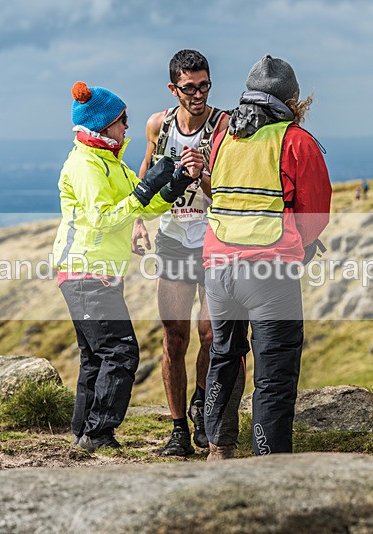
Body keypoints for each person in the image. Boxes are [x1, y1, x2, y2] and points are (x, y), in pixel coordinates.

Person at [52, 81, 201, 452]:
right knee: (120, 352)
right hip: (86, 270)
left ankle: (83, 432)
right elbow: (103, 219)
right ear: (103, 126)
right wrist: (142, 190)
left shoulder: (110, 163)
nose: (127, 128)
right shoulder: (87, 165)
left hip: (97, 272)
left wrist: (171, 185)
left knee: (95, 357)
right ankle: (99, 433)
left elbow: (143, 207)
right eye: (122, 121)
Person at [202, 55, 332, 459]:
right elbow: (315, 215)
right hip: (268, 274)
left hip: (218, 269)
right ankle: (269, 462)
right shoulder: (295, 141)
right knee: (274, 373)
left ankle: (218, 449)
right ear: (291, 101)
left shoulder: (224, 137)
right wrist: (302, 245)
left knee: (223, 358)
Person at [132, 50, 233, 457]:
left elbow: (225, 192)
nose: (198, 94)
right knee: (175, 337)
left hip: (212, 239)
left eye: (204, 85)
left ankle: (203, 404)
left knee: (211, 333)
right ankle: (177, 430)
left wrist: (201, 173)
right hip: (173, 238)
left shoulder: (223, 125)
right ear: (173, 88)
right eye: (189, 87)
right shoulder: (159, 124)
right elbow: (146, 168)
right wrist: (138, 220)